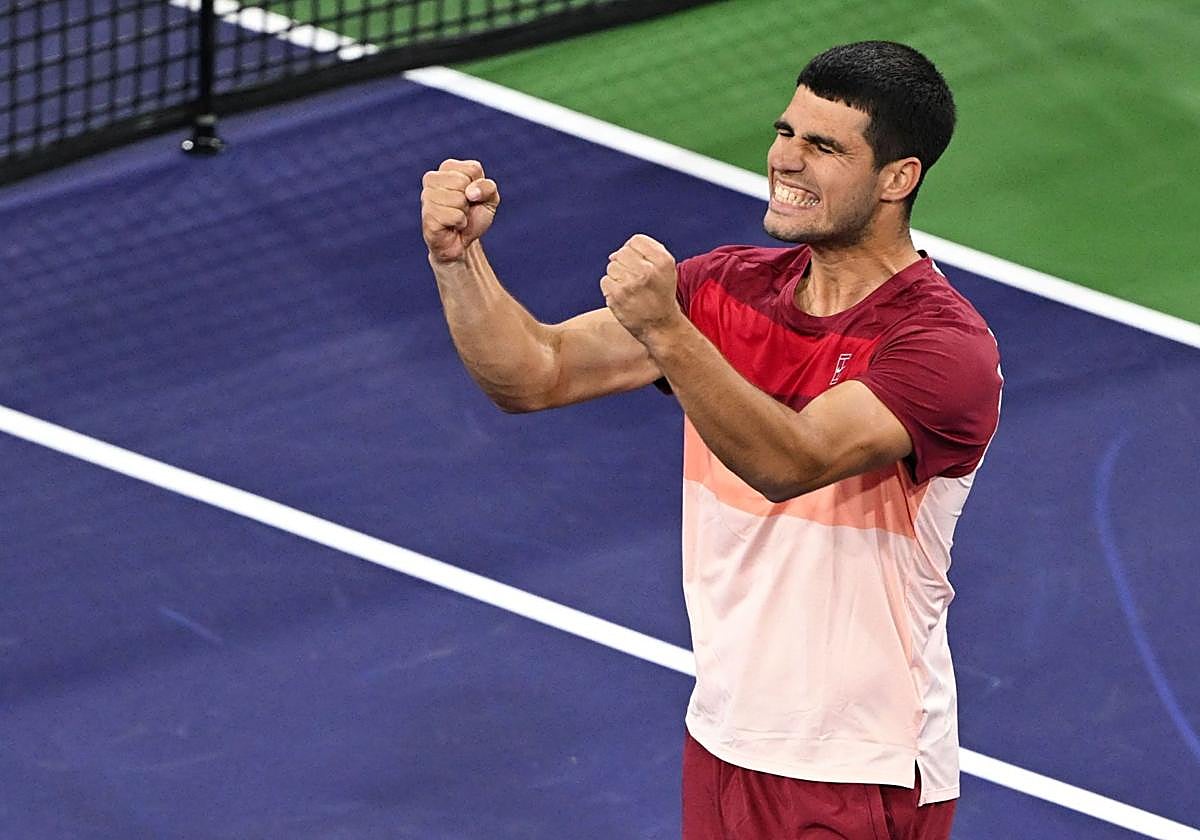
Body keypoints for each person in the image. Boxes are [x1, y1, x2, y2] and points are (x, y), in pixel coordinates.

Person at [420, 40, 1001, 840]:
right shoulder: (726, 286)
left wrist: (666, 328)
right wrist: (458, 260)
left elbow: (790, 461)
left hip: (855, 766)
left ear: (898, 178)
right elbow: (535, 372)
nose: (784, 160)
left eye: (823, 147)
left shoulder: (941, 346)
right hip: (725, 735)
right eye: (786, 132)